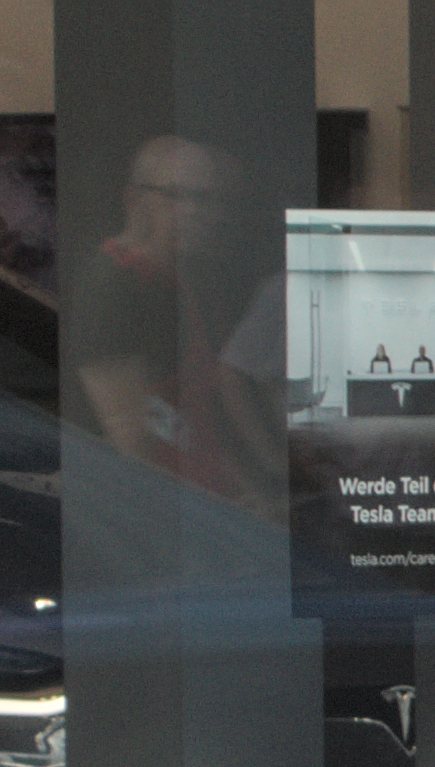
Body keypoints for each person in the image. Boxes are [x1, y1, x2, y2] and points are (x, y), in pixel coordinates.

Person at [67, 135, 282, 512]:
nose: (207, 214)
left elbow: (198, 420)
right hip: (148, 515)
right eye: (187, 197)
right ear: (137, 200)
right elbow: (131, 439)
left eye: (214, 200)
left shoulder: (185, 280)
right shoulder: (111, 284)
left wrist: (250, 494)